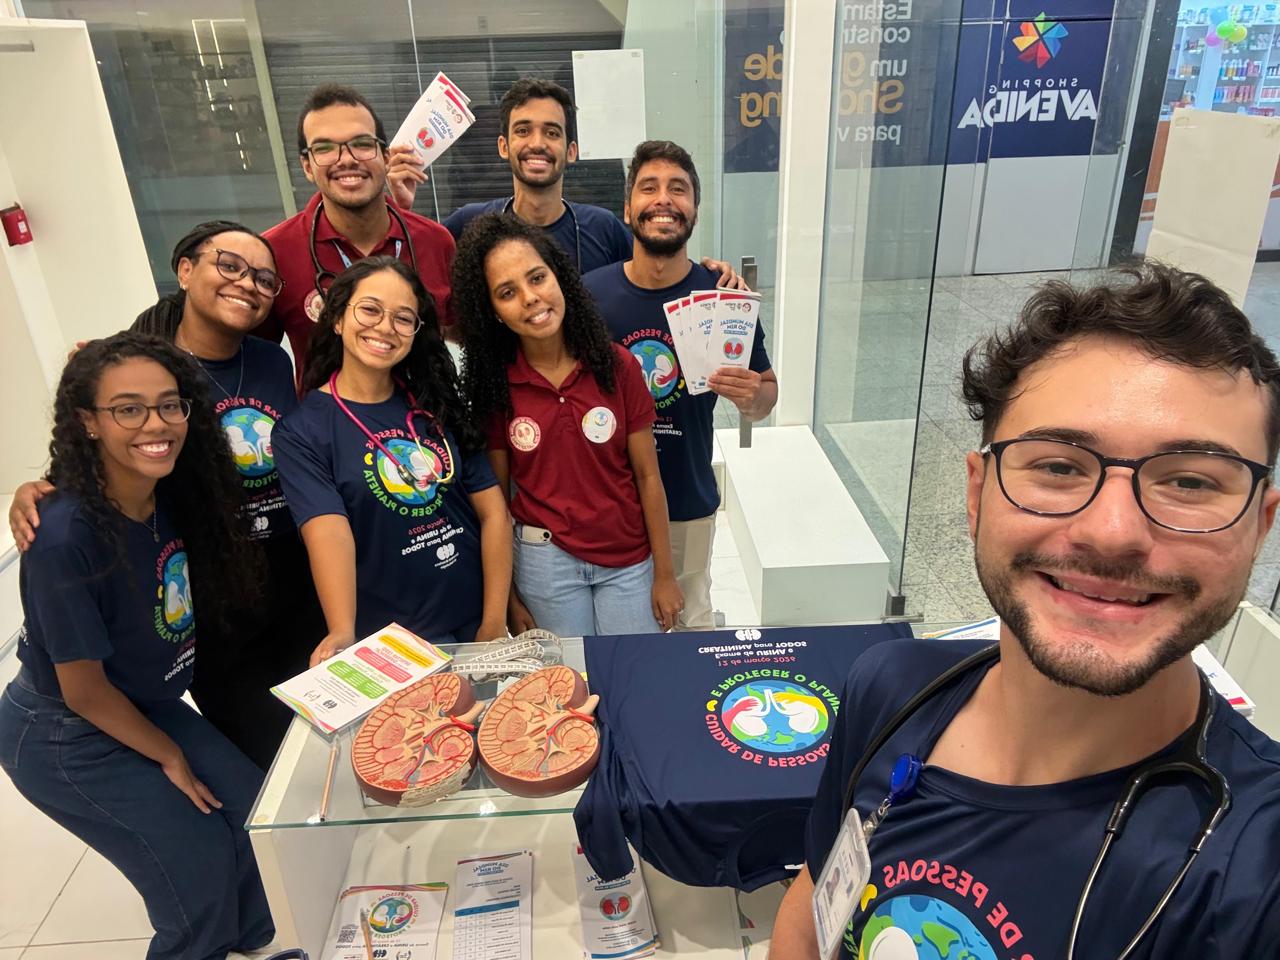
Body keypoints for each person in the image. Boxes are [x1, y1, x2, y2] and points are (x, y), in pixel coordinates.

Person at [770, 263, 1280, 958]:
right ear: (977, 494)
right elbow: (813, 903)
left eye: (1189, 482)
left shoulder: (1255, 871)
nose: (1113, 532)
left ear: (1259, 526)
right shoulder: (891, 687)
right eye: (1060, 467)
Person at [8, 221, 325, 770]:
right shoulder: (144, 371)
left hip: (293, 573)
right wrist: (38, 488)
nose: (246, 283)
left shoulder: (272, 360)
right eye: (229, 265)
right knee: (269, 753)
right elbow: (98, 454)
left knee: (325, 725)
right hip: (213, 586)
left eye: (263, 278)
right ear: (184, 270)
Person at [0, 333, 274, 960]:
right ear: (87, 422)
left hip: (142, 701)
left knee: (250, 811)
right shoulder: (63, 538)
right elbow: (83, 691)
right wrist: (170, 755)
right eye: (128, 409)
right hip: (64, 732)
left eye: (169, 405)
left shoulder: (167, 493)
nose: (156, 424)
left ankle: (247, 941)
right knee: (195, 860)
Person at [272, 256, 511, 662]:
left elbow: (494, 514)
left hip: (476, 621)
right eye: (370, 309)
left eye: (403, 318)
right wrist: (341, 630)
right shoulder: (302, 432)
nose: (385, 327)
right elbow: (328, 534)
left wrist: (493, 622)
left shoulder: (435, 404)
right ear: (337, 319)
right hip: (396, 642)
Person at [453, 213, 682, 636]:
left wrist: (665, 574)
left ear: (559, 277)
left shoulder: (617, 365)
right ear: (493, 311)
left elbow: (648, 476)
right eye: (507, 292)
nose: (530, 298)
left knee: (629, 670)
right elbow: (498, 502)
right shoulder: (496, 386)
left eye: (537, 278)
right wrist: (509, 597)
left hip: (629, 559)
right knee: (565, 677)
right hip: (544, 564)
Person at [583, 141, 777, 630]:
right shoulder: (590, 296)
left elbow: (766, 396)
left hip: (686, 499)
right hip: (608, 501)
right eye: (649, 188)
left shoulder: (724, 299)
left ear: (695, 209)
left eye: (679, 189)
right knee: (620, 634)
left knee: (690, 624)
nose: (664, 199)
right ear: (628, 208)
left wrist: (753, 397)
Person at [429, 77, 741, 284]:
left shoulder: (602, 228)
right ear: (503, 146)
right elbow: (415, 281)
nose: (537, 143)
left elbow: (658, 270)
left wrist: (710, 276)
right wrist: (404, 206)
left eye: (552, 132)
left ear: (572, 151)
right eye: (523, 131)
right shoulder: (470, 224)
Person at [258, 84, 456, 385]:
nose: (346, 159)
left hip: (429, 413)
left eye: (362, 144)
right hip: (325, 415)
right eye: (324, 148)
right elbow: (251, 357)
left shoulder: (435, 242)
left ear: (386, 156)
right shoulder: (273, 252)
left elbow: (459, 333)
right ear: (307, 166)